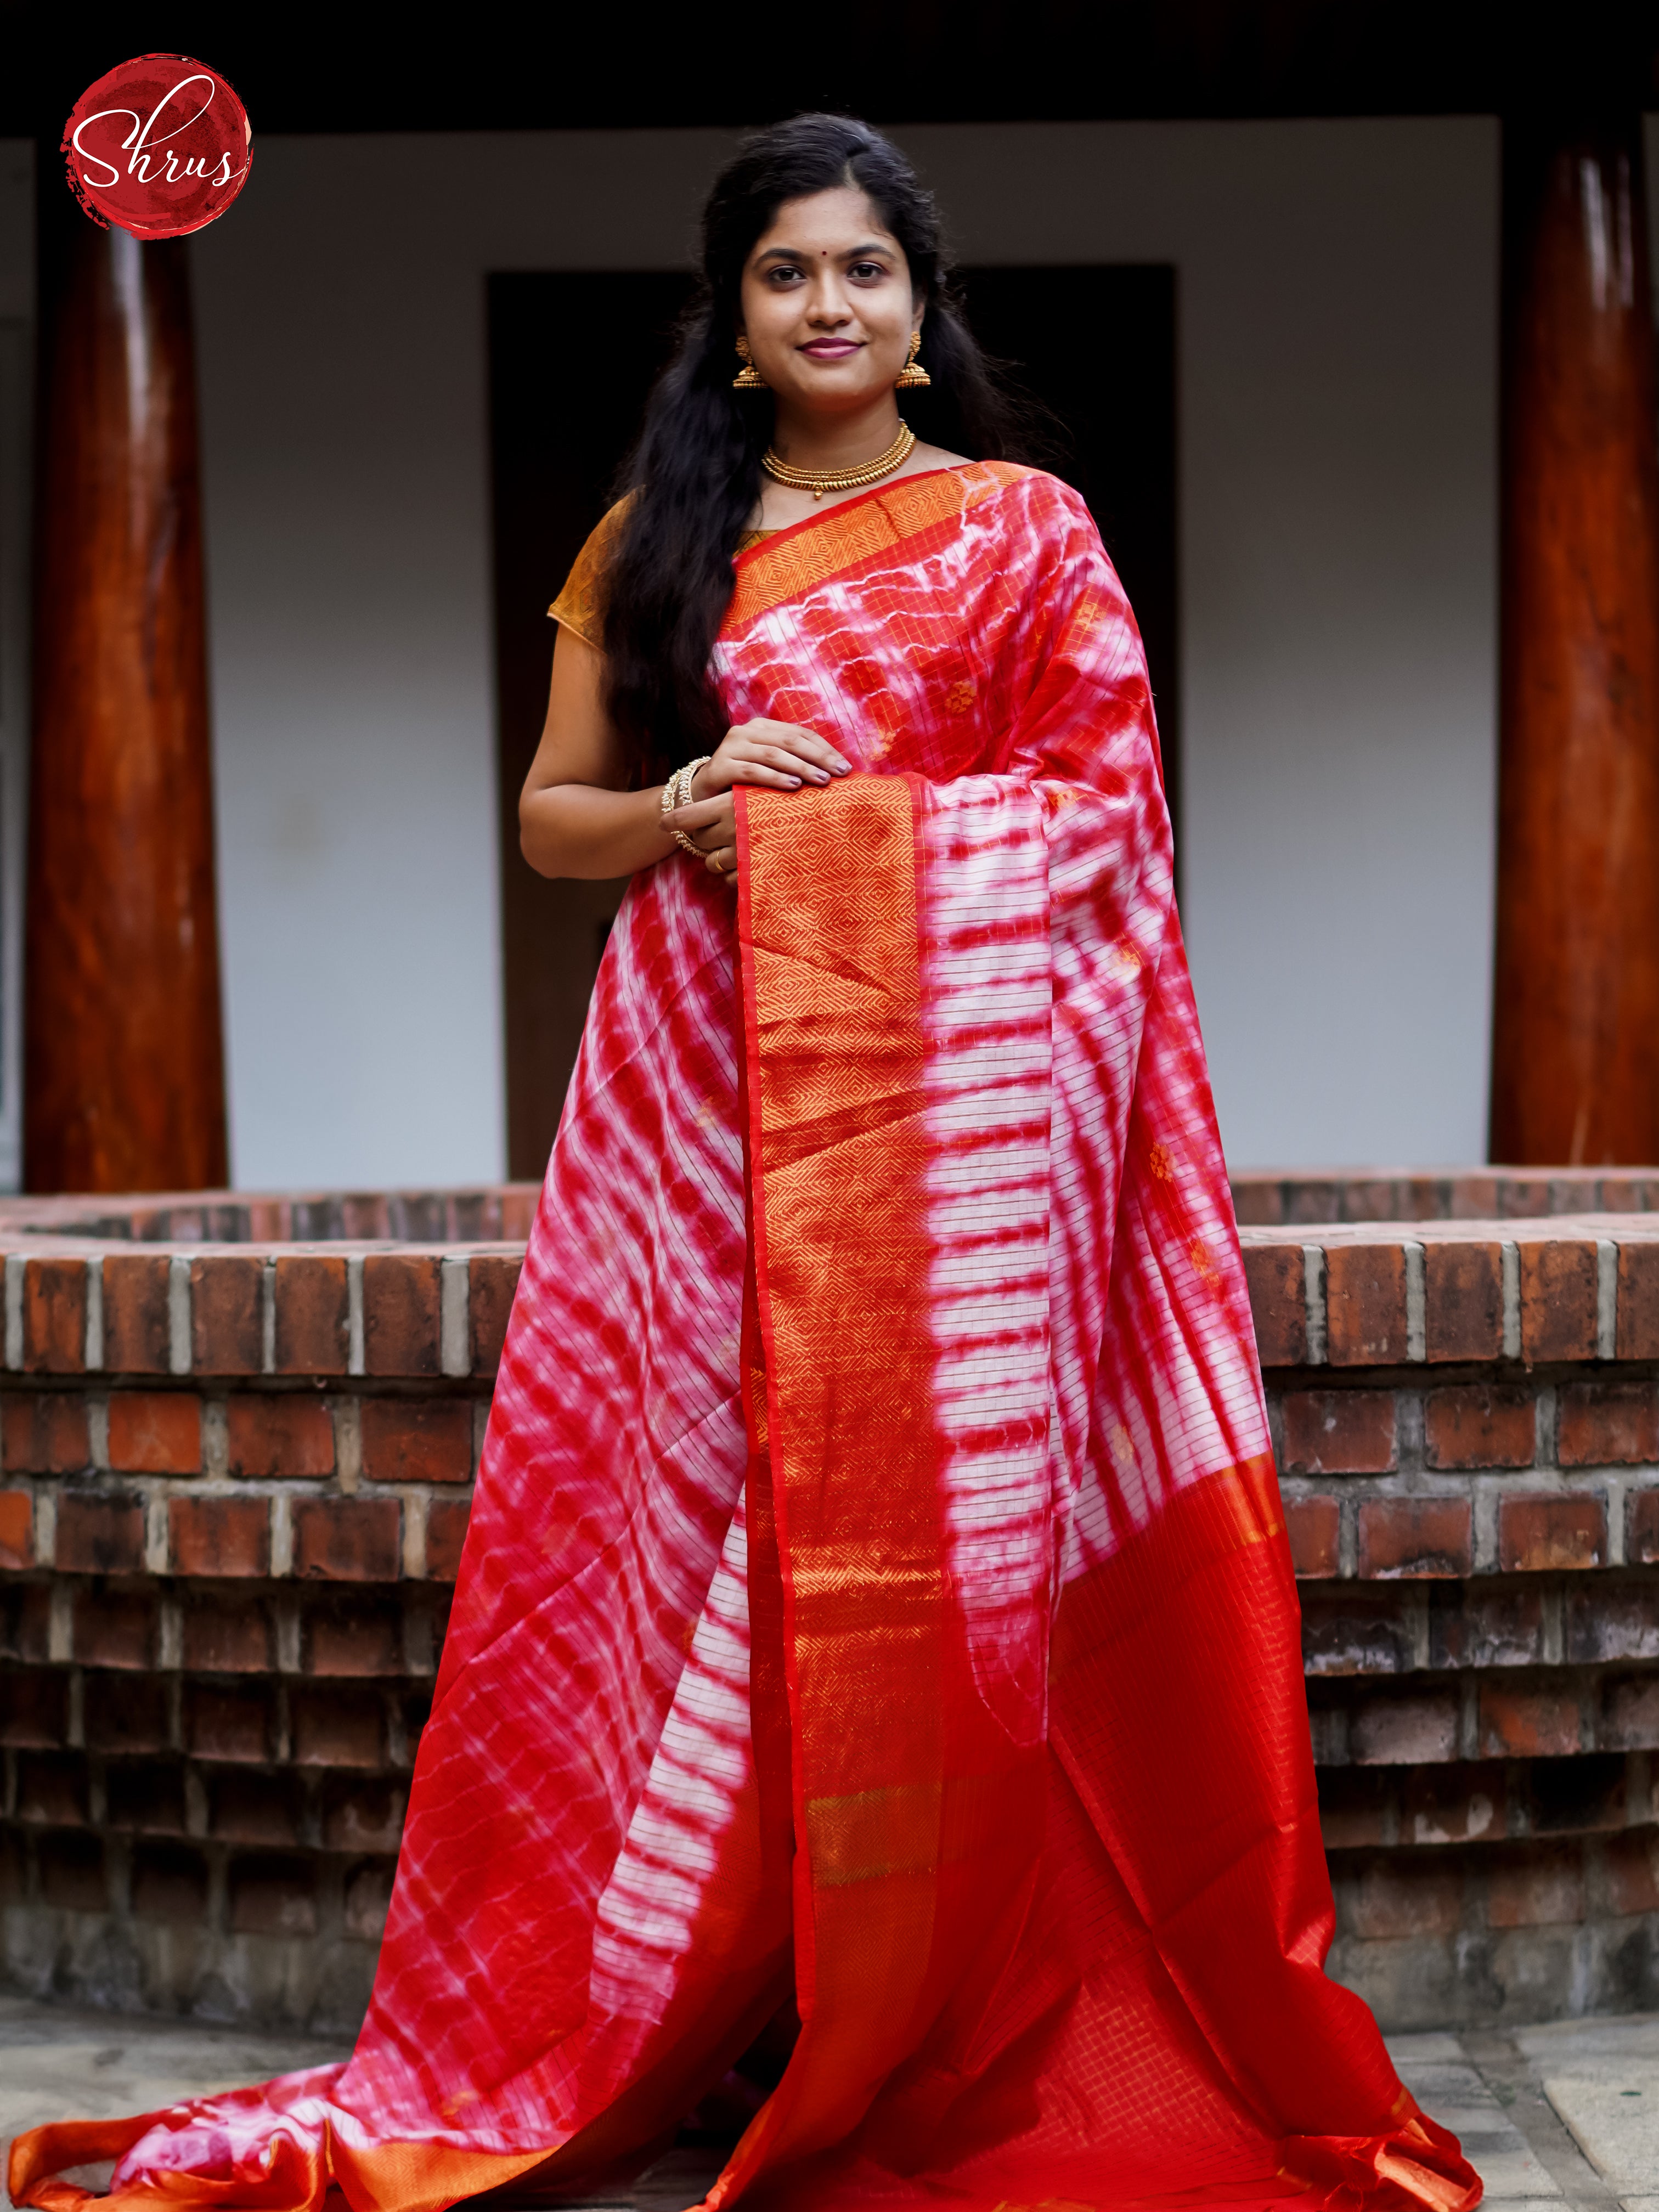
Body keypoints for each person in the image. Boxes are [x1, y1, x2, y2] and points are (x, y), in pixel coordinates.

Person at [12, 114, 1480, 2212]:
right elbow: (552, 824)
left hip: (946, 1152)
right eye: (788, 272)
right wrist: (698, 799)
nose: (828, 305)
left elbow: (1099, 819)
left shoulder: (1024, 531)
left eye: (865, 271)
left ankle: (905, 1998)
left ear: (918, 310)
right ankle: (706, 2000)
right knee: (701, 1535)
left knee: (910, 1557)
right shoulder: (650, 543)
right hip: (697, 1114)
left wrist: (867, 844)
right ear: (735, 318)